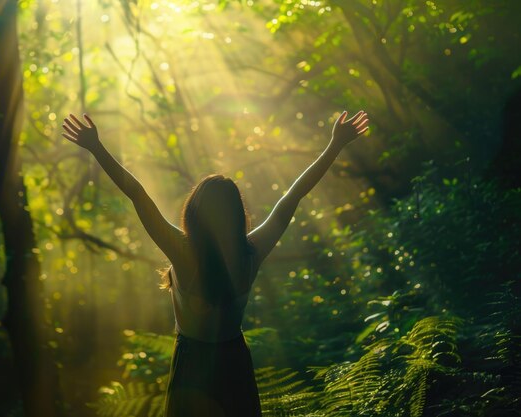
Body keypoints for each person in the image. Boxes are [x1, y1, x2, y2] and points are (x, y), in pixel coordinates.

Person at [62, 110, 369, 417]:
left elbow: (137, 194)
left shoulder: (183, 253)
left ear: (193, 213)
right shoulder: (251, 252)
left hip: (192, 368)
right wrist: (335, 144)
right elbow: (294, 195)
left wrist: (96, 147)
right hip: (234, 363)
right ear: (237, 215)